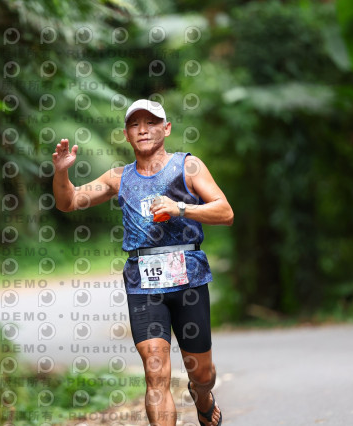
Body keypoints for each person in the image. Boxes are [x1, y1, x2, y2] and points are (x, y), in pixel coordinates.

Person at [52, 99, 233, 426]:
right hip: (143, 283)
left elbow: (225, 211)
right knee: (155, 371)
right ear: (126, 134)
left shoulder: (188, 167)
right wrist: (62, 171)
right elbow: (68, 201)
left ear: (166, 128)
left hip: (189, 278)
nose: (143, 130)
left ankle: (202, 395)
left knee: (202, 373)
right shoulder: (118, 177)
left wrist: (180, 208)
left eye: (151, 123)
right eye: (135, 124)